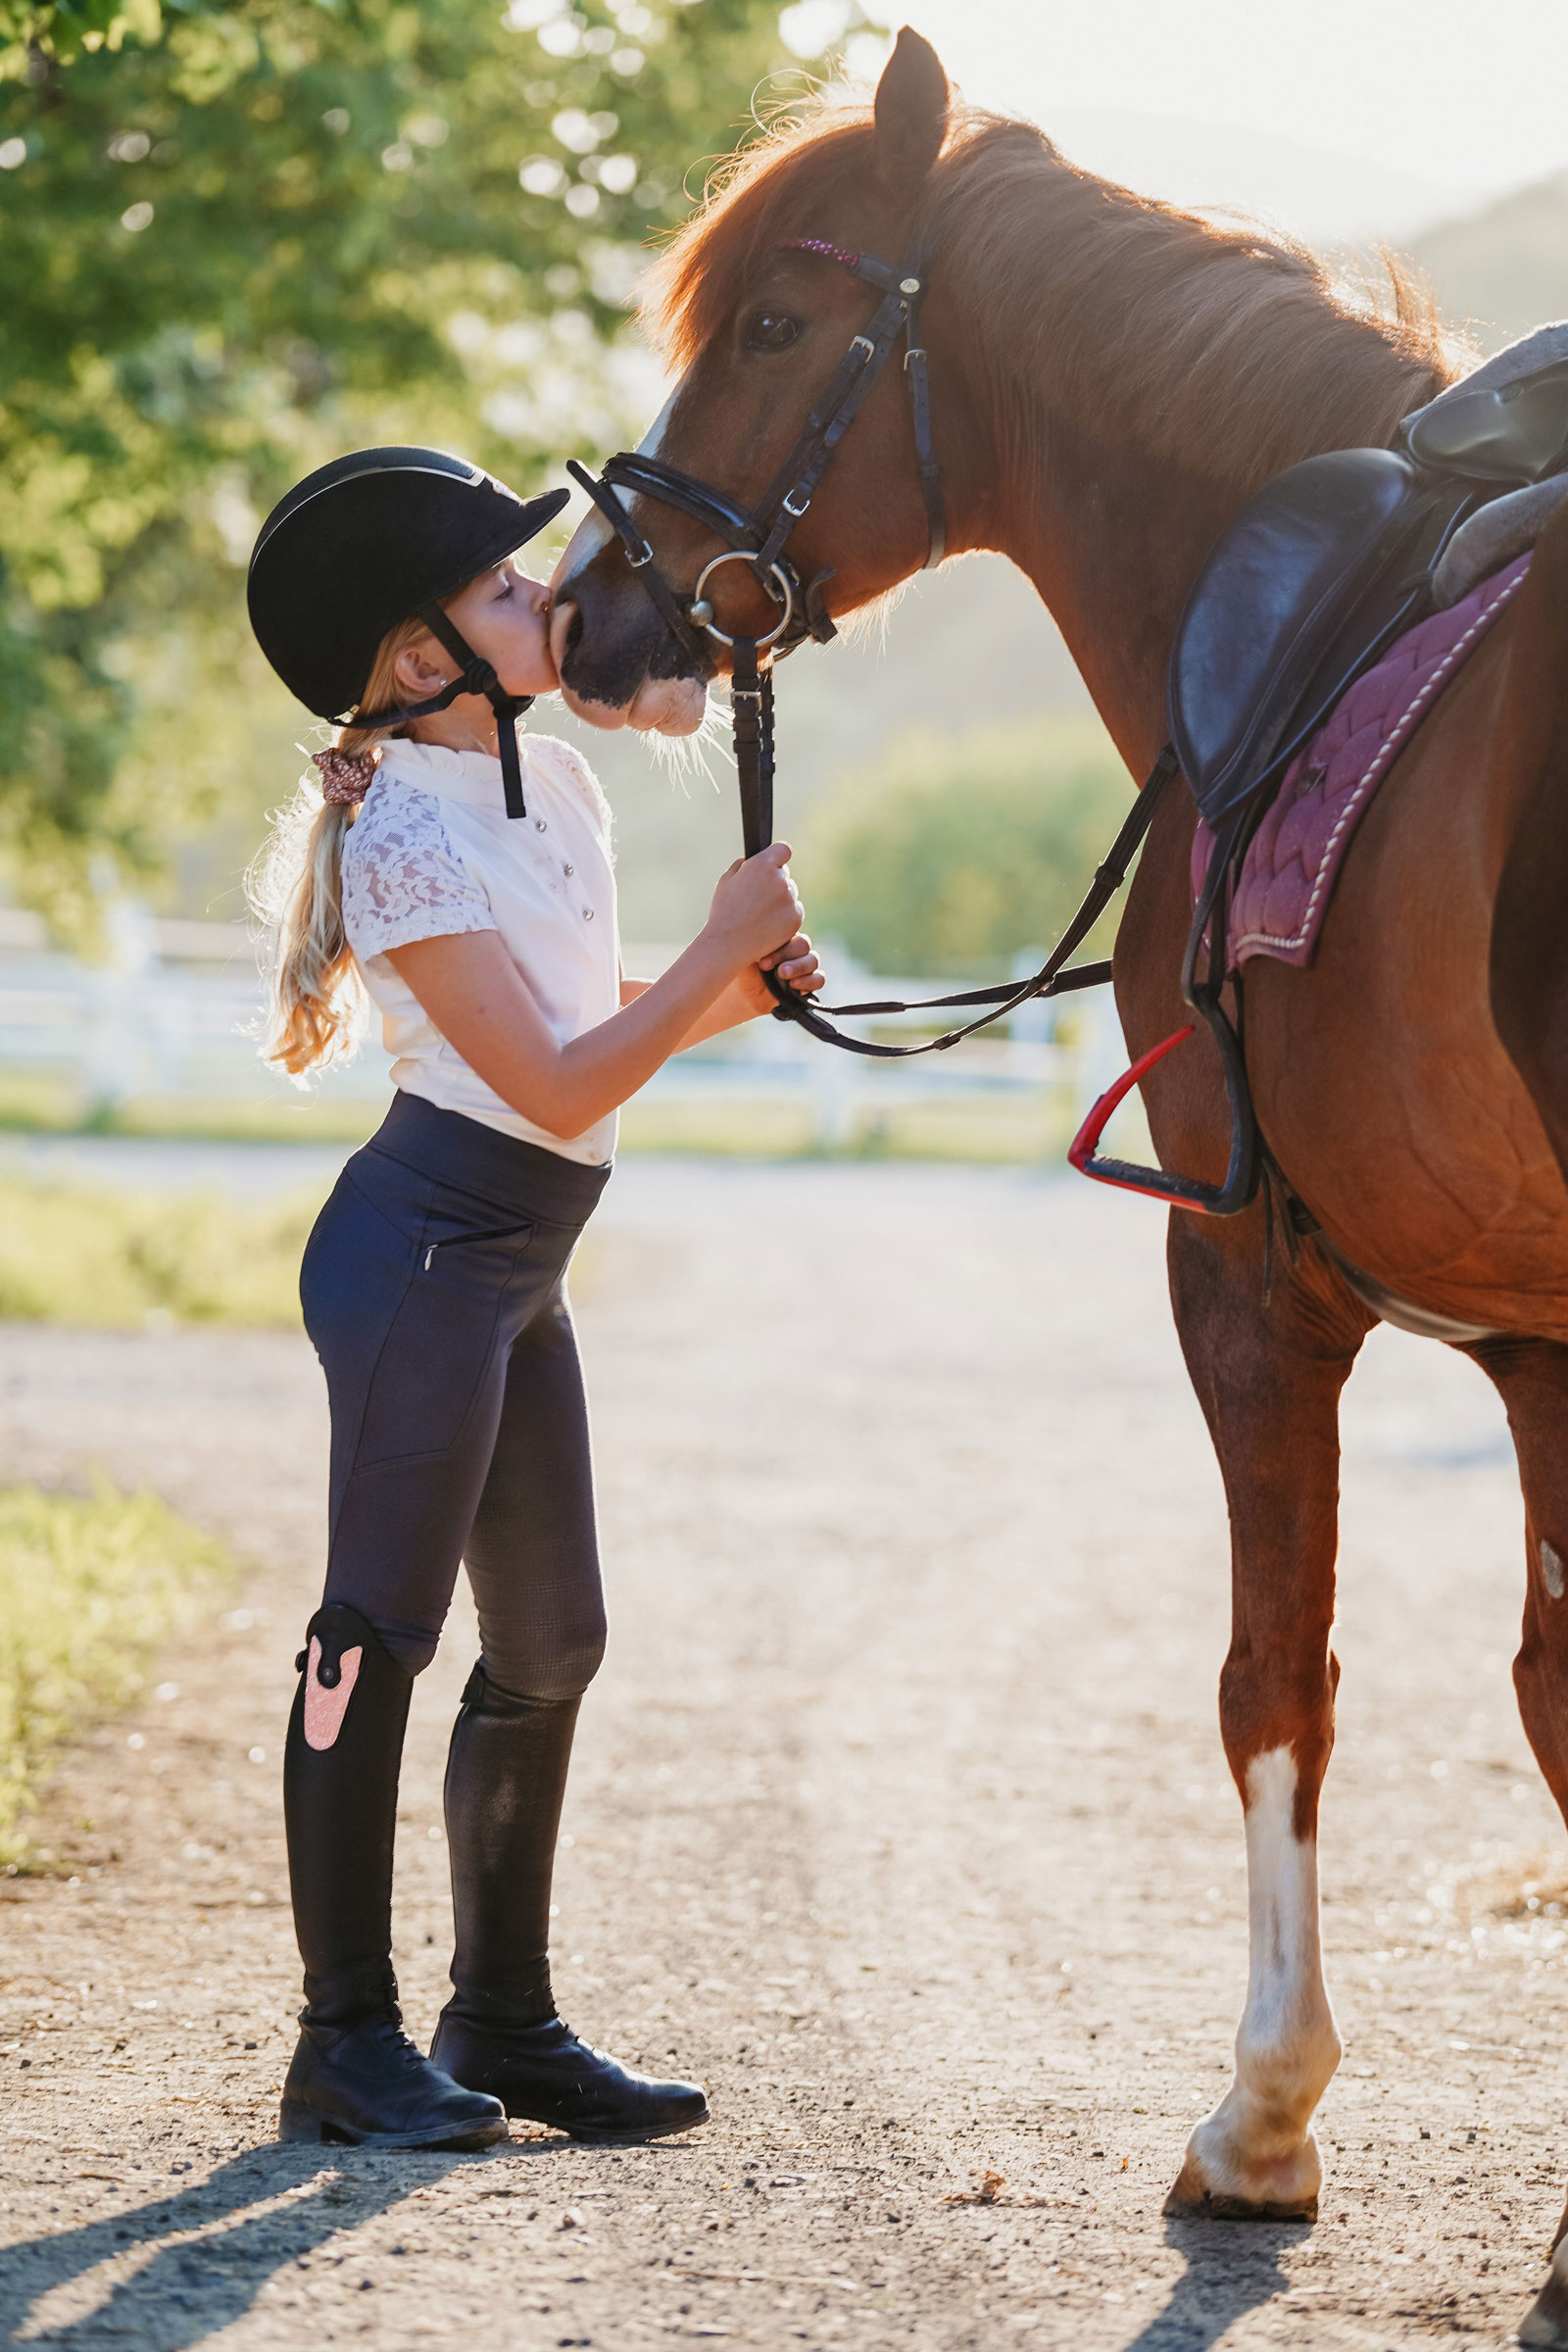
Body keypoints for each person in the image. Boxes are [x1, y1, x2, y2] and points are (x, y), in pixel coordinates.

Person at [245, 446, 822, 2151]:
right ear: (421, 656)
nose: (547, 597)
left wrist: (740, 990)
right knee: (375, 1632)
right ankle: (342, 2043)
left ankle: (500, 2017)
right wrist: (715, 954)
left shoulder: (553, 786)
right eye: (505, 589)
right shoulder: (400, 834)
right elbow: (556, 1084)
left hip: (519, 1263)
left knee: (555, 1641)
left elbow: (579, 1016)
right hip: (424, 1249)